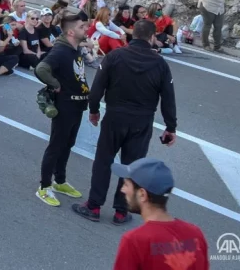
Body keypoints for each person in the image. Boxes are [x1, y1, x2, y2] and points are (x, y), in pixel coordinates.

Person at [74, 19, 178, 225]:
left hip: (115, 116)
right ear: (151, 37)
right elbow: (168, 97)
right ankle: (121, 210)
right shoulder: (160, 64)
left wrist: (94, 110)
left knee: (104, 160)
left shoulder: (115, 56)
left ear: (133, 35)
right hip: (142, 121)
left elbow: (97, 89)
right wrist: (170, 127)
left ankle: (94, 205)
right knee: (132, 166)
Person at [35, 12, 91, 207]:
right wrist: (55, 84)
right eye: (82, 27)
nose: (86, 29)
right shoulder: (60, 51)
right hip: (65, 106)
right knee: (56, 145)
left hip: (77, 105)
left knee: (68, 144)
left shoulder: (74, 49)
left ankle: (60, 181)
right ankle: (44, 186)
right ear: (70, 31)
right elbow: (41, 69)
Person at [110, 159, 208, 270]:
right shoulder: (195, 234)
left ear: (142, 194)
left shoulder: (134, 241)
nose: (123, 190)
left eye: (127, 185)